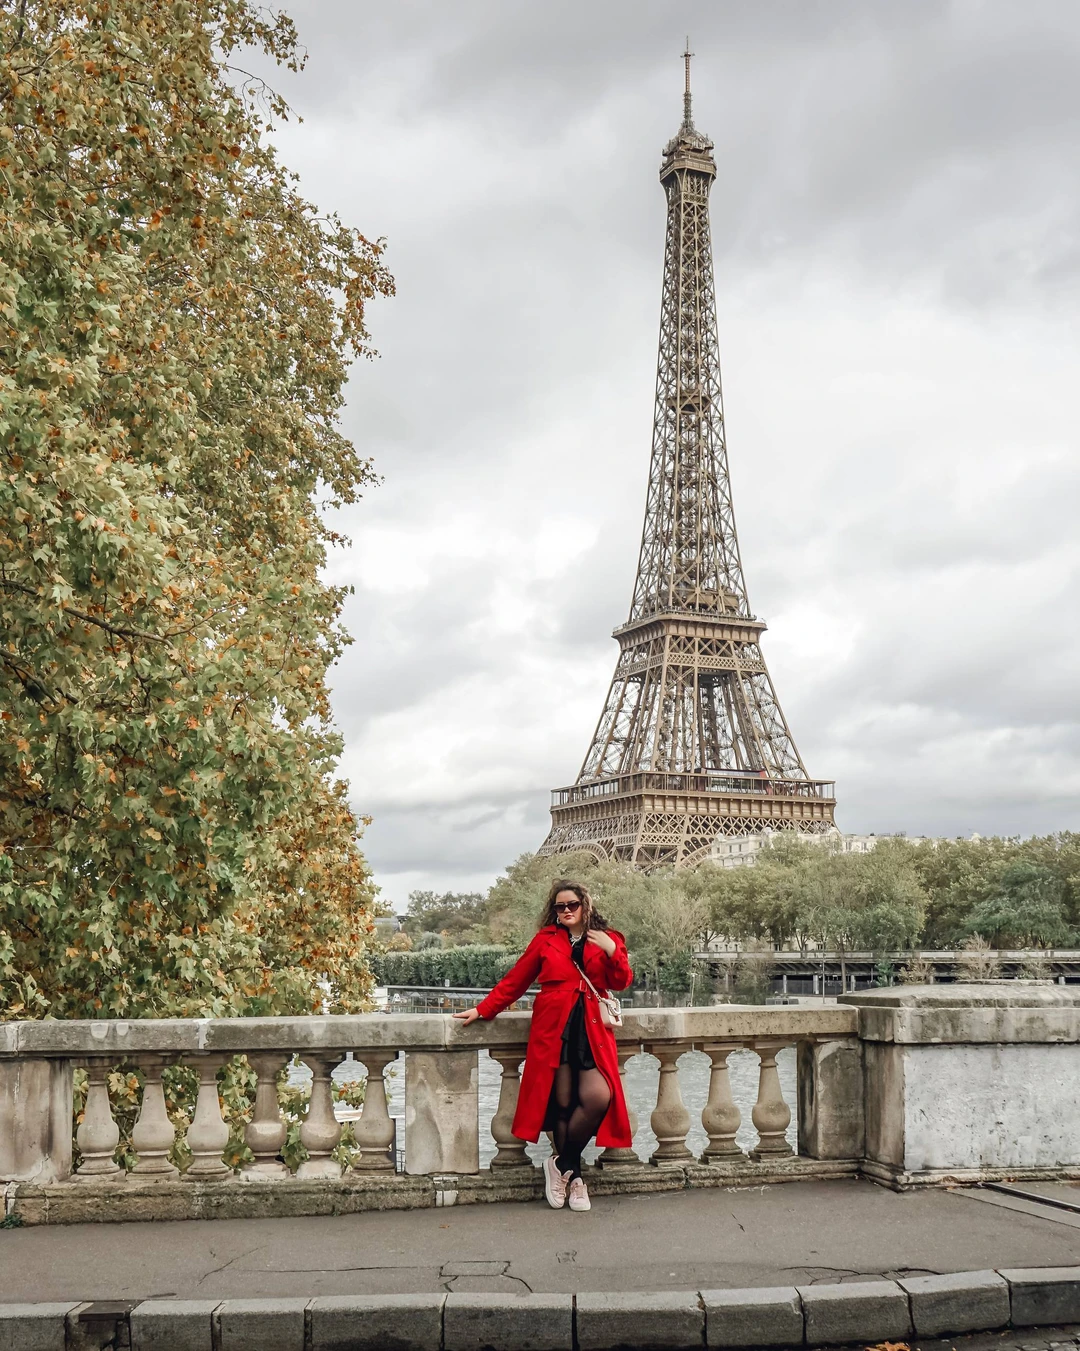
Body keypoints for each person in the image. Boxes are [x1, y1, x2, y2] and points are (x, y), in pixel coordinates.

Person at [453, 879, 633, 1213]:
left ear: (585, 905)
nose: (566, 911)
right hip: (553, 1026)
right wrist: (483, 1009)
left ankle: (560, 1164)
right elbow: (516, 980)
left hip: (591, 1026)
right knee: (562, 1103)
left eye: (572, 905)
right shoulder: (545, 940)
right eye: (559, 906)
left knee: (598, 1096)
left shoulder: (608, 937)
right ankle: (574, 1177)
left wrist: (611, 949)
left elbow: (620, 981)